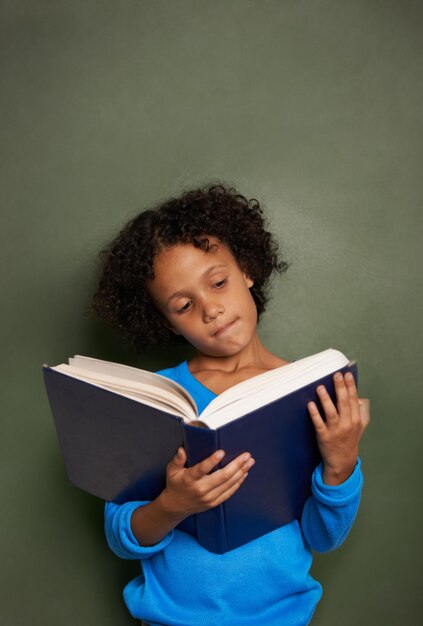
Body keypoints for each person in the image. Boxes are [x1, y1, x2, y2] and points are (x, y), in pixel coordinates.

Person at [90, 182, 370, 626]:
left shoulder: (308, 391)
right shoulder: (154, 400)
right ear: (165, 322)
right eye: (184, 305)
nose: (211, 309)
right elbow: (121, 536)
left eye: (218, 282)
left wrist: (341, 463)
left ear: (247, 270)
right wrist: (173, 505)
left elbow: (323, 536)